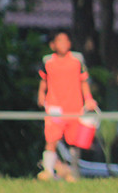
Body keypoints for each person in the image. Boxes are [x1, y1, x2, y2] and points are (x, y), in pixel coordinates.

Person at [37, 31, 97, 181]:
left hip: (74, 107)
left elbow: (84, 82)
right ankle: (48, 171)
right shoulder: (48, 61)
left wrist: (88, 99)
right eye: (59, 41)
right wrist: (41, 94)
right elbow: (43, 80)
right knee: (51, 138)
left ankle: (72, 171)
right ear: (53, 45)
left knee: (74, 141)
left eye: (65, 41)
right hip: (54, 107)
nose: (63, 44)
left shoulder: (77, 60)